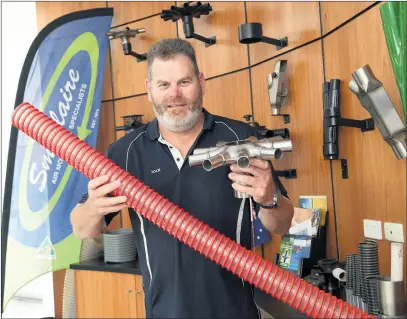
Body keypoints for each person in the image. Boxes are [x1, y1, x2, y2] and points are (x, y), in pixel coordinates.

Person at [70, 38, 294, 319]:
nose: (174, 94)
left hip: (234, 311)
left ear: (201, 82)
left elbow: (283, 224)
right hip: (164, 312)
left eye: (184, 82)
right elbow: (82, 230)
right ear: (149, 90)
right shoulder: (125, 153)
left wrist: (268, 198)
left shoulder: (239, 138)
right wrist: (92, 208)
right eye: (163, 85)